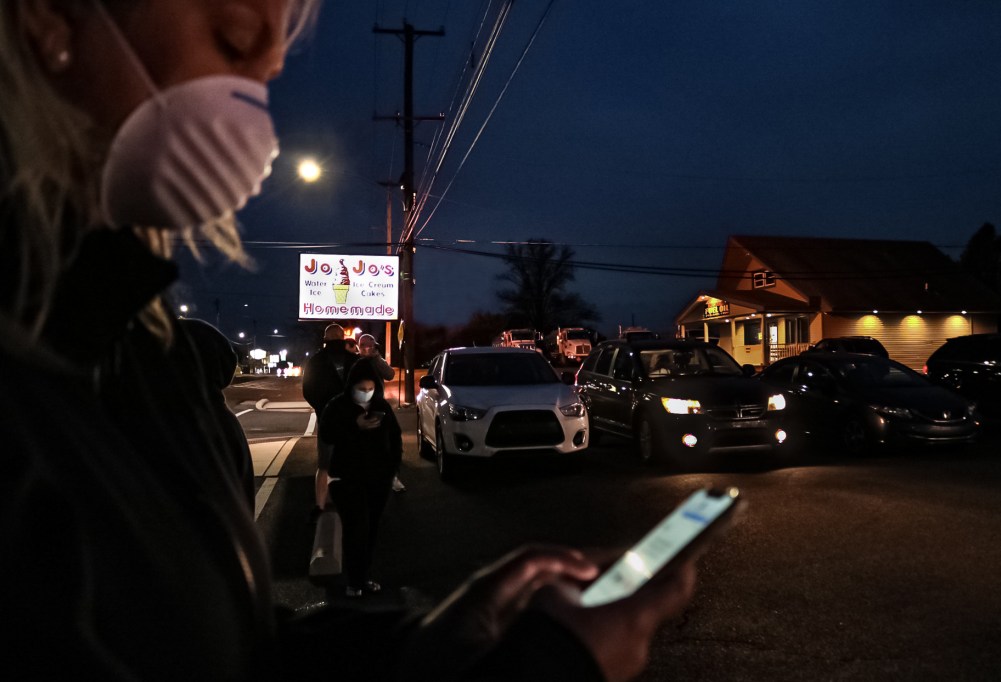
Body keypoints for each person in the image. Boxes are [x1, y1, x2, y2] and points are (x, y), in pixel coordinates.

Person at [0, 1, 713, 680]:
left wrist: (431, 644)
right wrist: (547, 667)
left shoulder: (157, 369)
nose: (248, 111)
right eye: (233, 40)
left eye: (266, 76)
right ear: (52, 16)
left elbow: (229, 652)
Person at [319, 358, 402, 596]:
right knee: (356, 528)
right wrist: (354, 426)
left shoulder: (381, 406)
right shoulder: (337, 406)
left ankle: (363, 577)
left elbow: (395, 437)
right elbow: (327, 435)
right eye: (361, 388)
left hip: (378, 479)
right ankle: (355, 582)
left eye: (370, 388)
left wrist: (392, 468)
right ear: (351, 386)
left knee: (371, 529)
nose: (366, 392)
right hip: (347, 478)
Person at [302, 324, 359, 521]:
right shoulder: (354, 360)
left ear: (325, 338)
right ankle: (351, 503)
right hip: (351, 419)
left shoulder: (315, 361)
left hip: (326, 418)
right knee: (351, 461)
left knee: (324, 463)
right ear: (343, 337)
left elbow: (308, 390)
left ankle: (320, 504)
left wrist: (322, 408)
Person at [357, 332, 406, 493]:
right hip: (358, 406)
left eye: (371, 345)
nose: (368, 348)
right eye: (365, 345)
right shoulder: (354, 361)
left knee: (390, 438)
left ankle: (393, 476)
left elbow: (390, 374)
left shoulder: (377, 360)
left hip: (378, 405)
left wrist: (376, 357)